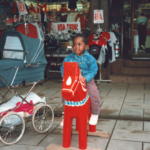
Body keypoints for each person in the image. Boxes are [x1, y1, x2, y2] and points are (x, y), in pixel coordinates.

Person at [60, 33, 101, 126]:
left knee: (94, 93)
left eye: (79, 44)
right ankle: (66, 114)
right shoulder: (68, 58)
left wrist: (86, 78)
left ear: (86, 46)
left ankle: (95, 113)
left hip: (87, 81)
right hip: (73, 81)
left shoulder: (90, 58)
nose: (76, 47)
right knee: (65, 93)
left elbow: (94, 70)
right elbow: (63, 68)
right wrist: (66, 78)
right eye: (74, 44)